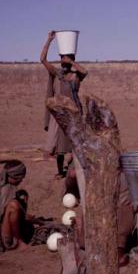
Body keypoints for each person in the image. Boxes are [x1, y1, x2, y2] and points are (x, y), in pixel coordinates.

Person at [41, 30, 88, 179]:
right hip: (59, 113)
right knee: (59, 144)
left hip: (73, 113)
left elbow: (85, 71)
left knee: (75, 142)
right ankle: (61, 170)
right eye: (62, 59)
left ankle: (77, 168)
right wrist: (49, 40)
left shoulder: (76, 75)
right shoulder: (56, 73)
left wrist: (71, 62)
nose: (64, 61)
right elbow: (42, 59)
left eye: (67, 59)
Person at [0, 160, 33, 251]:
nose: (22, 179)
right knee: (13, 206)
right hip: (0, 237)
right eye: (21, 177)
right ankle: (18, 242)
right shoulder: (6, 191)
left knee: (21, 196)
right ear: (15, 176)